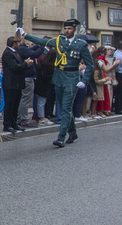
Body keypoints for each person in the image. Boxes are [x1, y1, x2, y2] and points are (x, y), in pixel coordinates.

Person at [19, 18, 94, 147]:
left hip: (72, 78)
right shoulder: (59, 40)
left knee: (65, 108)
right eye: (65, 28)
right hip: (59, 76)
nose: (67, 31)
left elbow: (90, 65)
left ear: (74, 30)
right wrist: (25, 35)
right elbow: (42, 41)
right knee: (66, 109)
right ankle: (73, 132)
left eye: (69, 29)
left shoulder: (81, 44)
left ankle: (61, 137)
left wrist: (85, 81)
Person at [0, 36, 26, 134]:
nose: (19, 44)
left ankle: (14, 122)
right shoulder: (7, 53)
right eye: (18, 43)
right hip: (10, 83)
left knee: (15, 104)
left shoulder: (15, 53)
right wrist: (25, 64)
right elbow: (15, 67)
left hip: (17, 83)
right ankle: (7, 124)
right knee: (10, 104)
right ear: (14, 44)